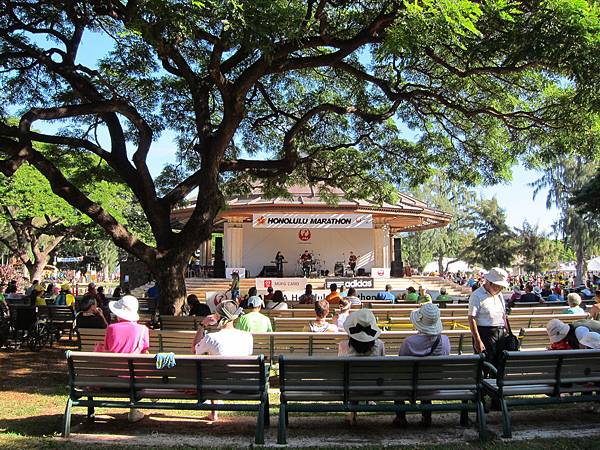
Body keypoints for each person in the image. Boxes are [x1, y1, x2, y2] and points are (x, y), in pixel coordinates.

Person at [192, 300, 253, 422]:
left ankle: (214, 412)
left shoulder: (211, 338)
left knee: (214, 369)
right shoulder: (248, 336)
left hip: (218, 385)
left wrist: (202, 325)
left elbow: (195, 350)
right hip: (243, 384)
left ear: (218, 317)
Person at [395, 303, 451, 427]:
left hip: (410, 385)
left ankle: (400, 417)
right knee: (427, 379)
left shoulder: (409, 342)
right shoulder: (445, 340)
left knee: (399, 382)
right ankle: (427, 417)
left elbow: (401, 365)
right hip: (434, 384)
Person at [98, 295, 150, 422]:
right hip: (135, 384)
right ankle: (133, 410)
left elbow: (107, 350)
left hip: (111, 382)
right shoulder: (143, 330)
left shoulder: (111, 328)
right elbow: (144, 352)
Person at [338, 308, 385, 425]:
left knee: (351, 379)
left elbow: (340, 371)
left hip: (350, 389)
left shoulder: (344, 346)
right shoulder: (380, 345)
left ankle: (352, 413)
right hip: (374, 389)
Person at [468, 267, 510, 371]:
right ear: (490, 282)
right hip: (485, 334)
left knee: (499, 366)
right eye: (498, 286)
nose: (500, 289)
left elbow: (503, 315)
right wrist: (478, 340)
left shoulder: (499, 295)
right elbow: (471, 318)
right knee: (485, 366)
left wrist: (508, 332)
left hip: (500, 334)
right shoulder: (476, 295)